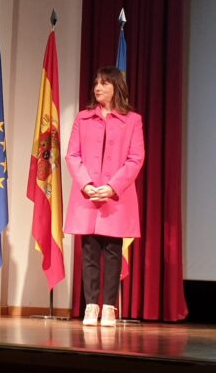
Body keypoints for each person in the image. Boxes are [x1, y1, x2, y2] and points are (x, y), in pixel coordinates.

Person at [64, 66, 145, 327]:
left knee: (112, 252)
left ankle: (109, 307)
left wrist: (112, 187)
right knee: (89, 252)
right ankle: (91, 306)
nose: (98, 87)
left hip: (115, 197)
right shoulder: (83, 118)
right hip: (87, 196)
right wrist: (86, 184)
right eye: (96, 83)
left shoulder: (132, 120)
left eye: (105, 83)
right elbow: (72, 155)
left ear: (116, 87)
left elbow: (136, 158)